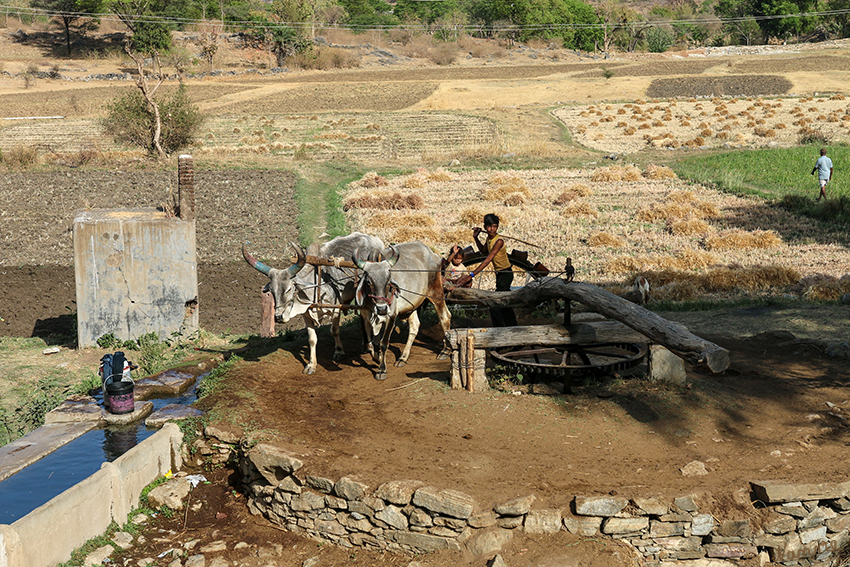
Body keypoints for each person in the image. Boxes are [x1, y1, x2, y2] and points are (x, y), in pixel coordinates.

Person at [455, 214, 517, 327]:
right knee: (504, 304)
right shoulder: (489, 239)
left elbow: (487, 260)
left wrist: (471, 275)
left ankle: (500, 332)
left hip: (506, 274)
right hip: (500, 275)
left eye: (494, 226)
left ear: (497, 227)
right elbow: (484, 251)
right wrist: (476, 237)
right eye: (489, 227)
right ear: (485, 227)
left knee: (496, 305)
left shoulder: (499, 241)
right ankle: (512, 329)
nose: (492, 229)